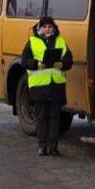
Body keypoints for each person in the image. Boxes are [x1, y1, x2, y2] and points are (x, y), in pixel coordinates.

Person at [20, 16, 73, 156]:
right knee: (42, 118)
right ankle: (42, 146)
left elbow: (69, 60)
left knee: (55, 118)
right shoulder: (32, 42)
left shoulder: (61, 41)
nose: (47, 29)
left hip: (56, 86)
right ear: (39, 28)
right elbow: (24, 61)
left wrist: (62, 64)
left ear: (54, 28)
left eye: (50, 26)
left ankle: (53, 147)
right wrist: (36, 65)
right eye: (44, 26)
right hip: (39, 87)